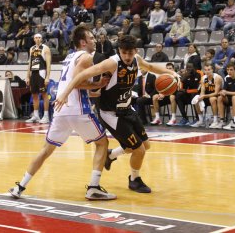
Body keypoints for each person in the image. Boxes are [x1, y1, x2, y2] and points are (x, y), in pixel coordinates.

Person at [55, 35, 179, 193]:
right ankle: (134, 180)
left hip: (127, 109)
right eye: (124, 53)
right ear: (119, 51)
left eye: (130, 53)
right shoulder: (112, 63)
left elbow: (151, 67)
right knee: (138, 150)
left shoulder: (137, 59)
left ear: (136, 51)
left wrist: (172, 74)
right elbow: (80, 76)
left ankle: (111, 155)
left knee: (145, 145)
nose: (127, 57)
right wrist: (64, 94)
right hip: (110, 113)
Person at [9, 25, 116, 200]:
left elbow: (72, 84)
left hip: (60, 111)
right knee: (102, 144)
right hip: (77, 110)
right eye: (91, 38)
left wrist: (94, 90)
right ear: (83, 42)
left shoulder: (69, 57)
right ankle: (93, 187)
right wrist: (98, 84)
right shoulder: (87, 57)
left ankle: (20, 187)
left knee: (46, 150)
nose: (94, 40)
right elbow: (77, 82)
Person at [25, 34, 52, 124]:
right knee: (34, 94)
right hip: (33, 73)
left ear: (42, 39)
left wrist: (47, 77)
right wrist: (27, 76)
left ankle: (46, 116)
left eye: (39, 37)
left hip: (42, 72)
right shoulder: (31, 48)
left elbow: (48, 64)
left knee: (44, 94)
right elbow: (29, 63)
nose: (38, 39)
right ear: (33, 39)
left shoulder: (45, 48)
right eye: (36, 37)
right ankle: (36, 115)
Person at [216, 63, 235, 130]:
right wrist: (222, 92)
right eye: (227, 70)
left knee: (234, 98)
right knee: (220, 98)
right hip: (229, 98)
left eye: (231, 70)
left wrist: (227, 92)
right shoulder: (227, 78)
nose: (229, 71)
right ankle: (222, 121)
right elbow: (224, 90)